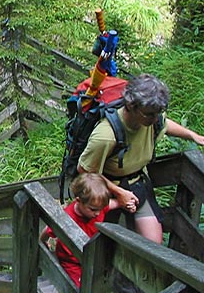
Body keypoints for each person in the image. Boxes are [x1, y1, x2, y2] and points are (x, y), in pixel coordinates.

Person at [78, 74, 204, 244]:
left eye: (157, 113)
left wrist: (192, 136)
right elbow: (85, 170)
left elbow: (165, 124)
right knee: (97, 243)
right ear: (131, 106)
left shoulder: (151, 119)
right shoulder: (106, 135)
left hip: (137, 184)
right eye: (150, 114)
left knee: (153, 246)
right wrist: (119, 193)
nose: (155, 119)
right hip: (104, 190)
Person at [40, 173, 129, 293]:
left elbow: (113, 204)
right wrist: (42, 243)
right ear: (78, 200)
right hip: (70, 261)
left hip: (90, 257)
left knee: (95, 287)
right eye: (93, 209)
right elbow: (47, 230)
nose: (98, 213)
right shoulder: (65, 219)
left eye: (100, 209)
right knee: (74, 290)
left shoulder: (97, 206)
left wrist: (126, 204)